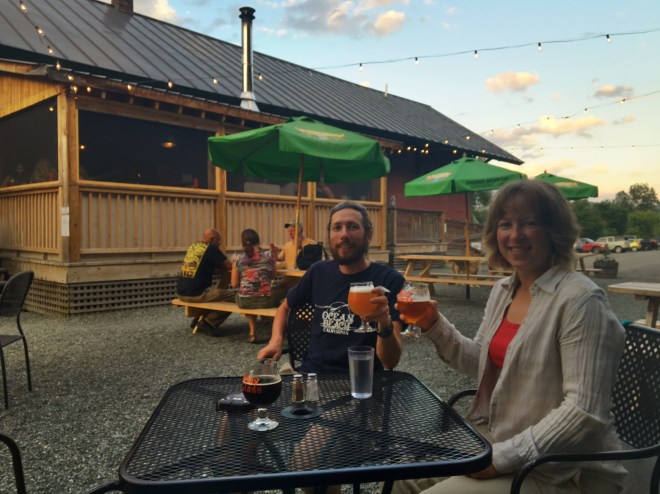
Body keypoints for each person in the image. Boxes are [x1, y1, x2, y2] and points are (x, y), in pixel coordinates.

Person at [394, 180, 626, 494]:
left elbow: (584, 411)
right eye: (506, 224)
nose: (515, 235)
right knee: (402, 476)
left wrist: (500, 459)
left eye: (529, 223)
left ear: (554, 231)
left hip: (563, 469)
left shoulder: (581, 300)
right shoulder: (504, 290)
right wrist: (434, 324)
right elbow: (480, 361)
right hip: (500, 439)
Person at [258, 201, 405, 373]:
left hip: (363, 381)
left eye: (353, 227)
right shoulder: (318, 272)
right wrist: (275, 342)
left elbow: (390, 362)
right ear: (329, 235)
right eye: (337, 228)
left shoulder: (389, 280)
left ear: (369, 234)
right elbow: (285, 307)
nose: (344, 234)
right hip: (312, 377)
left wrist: (384, 323)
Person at [176, 227, 234, 336]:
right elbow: (229, 266)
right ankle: (208, 323)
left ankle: (198, 318)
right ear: (212, 239)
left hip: (181, 292)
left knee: (218, 294)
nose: (220, 244)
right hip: (196, 294)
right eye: (218, 241)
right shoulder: (211, 248)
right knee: (233, 297)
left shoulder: (193, 246)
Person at [231, 228, 278, 343]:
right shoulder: (268, 255)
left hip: (245, 302)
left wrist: (234, 266)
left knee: (246, 295)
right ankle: (270, 324)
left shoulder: (238, 259)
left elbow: (234, 284)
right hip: (266, 301)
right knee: (275, 292)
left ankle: (252, 332)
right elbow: (273, 276)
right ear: (258, 241)